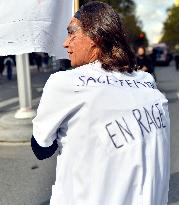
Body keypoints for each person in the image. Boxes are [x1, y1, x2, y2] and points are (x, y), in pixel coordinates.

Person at [31, 2, 170, 205]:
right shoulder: (146, 82)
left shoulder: (65, 83)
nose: (65, 43)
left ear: (95, 37)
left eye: (71, 33)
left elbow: (41, 148)